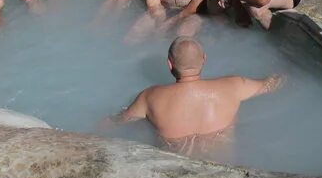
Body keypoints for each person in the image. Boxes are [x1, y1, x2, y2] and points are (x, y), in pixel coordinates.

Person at [109, 37, 283, 154]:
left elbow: (116, 122)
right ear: (204, 59)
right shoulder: (233, 86)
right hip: (224, 169)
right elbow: (272, 84)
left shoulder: (149, 97)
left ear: (169, 65)